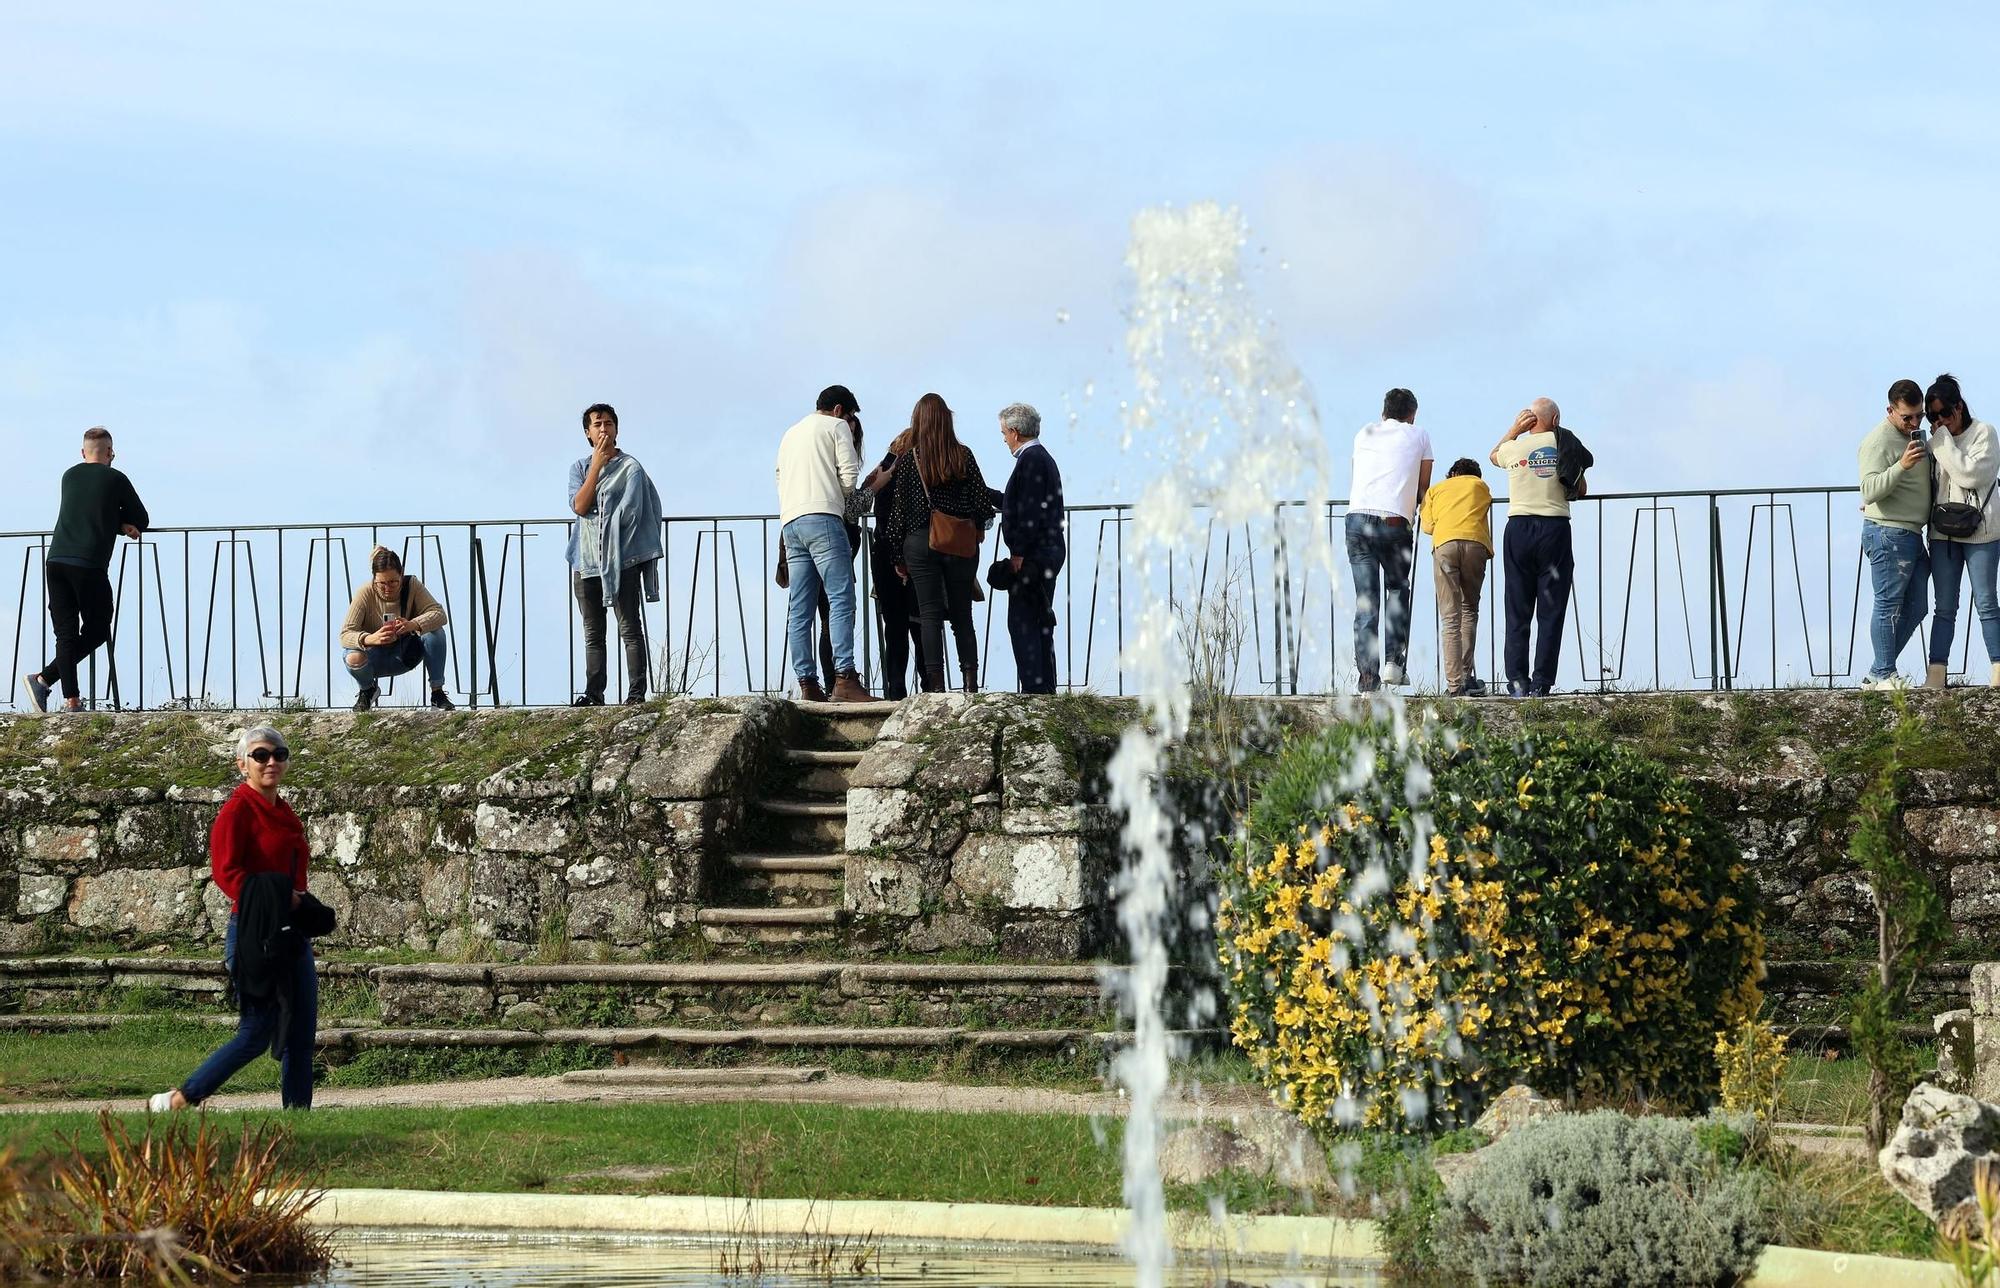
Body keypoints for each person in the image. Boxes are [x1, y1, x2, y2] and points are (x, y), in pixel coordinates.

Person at [150, 726, 322, 1112]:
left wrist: (303, 907)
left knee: (300, 1032)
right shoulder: (237, 810)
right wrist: (281, 898)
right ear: (242, 764)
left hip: (290, 935)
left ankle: (298, 1119)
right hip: (253, 935)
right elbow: (227, 873)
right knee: (256, 1032)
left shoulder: (283, 811)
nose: (272, 762)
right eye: (261, 755)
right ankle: (182, 1097)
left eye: (279, 754)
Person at [22, 427, 149, 714]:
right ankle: (44, 681)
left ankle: (68, 699)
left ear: (82, 453)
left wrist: (113, 521)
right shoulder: (116, 478)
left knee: (65, 633)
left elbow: (88, 508)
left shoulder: (68, 475)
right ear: (110, 453)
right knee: (98, 627)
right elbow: (142, 518)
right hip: (88, 563)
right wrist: (122, 524)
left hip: (56, 560)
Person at [881, 393, 997, 693]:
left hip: (920, 543)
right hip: (960, 543)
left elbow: (898, 514)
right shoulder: (963, 455)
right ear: (947, 420)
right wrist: (977, 530)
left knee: (929, 615)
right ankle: (970, 684)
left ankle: (936, 687)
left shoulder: (910, 460)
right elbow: (983, 505)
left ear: (918, 421)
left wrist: (897, 557)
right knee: (962, 615)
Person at [776, 386, 873, 703]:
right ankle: (845, 679)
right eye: (849, 415)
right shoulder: (837, 427)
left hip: (791, 522)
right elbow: (849, 477)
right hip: (824, 517)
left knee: (800, 609)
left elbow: (779, 477)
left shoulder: (790, 432)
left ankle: (808, 684)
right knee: (841, 598)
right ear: (839, 410)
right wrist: (838, 493)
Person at [567, 403, 663, 706]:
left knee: (629, 628)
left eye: (608, 423)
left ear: (617, 429)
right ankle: (593, 693)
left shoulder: (630, 467)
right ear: (587, 432)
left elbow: (633, 512)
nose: (603, 429)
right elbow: (580, 506)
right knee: (593, 633)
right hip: (586, 561)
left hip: (623, 560)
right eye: (597, 424)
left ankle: (636, 694)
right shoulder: (580, 468)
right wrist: (596, 465)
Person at [1490, 397, 1586, 697]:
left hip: (1518, 528)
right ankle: (1541, 682)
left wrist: (1514, 430)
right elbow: (1581, 489)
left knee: (1517, 610)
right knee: (1551, 611)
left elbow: (1493, 456)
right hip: (1554, 529)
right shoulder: (1566, 444)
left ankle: (1517, 683)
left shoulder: (1513, 448)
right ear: (1555, 420)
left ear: (1529, 421)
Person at [1347, 389, 1433, 691]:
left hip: (1357, 519)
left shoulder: (1363, 433)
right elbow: (1424, 487)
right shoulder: (1419, 435)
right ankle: (1393, 664)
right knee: (1396, 589)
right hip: (1394, 522)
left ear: (1383, 412)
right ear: (1412, 415)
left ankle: (1368, 679)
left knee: (1366, 602)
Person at [1923, 374, 2000, 688]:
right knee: (1944, 607)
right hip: (1943, 533)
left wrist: (1942, 442)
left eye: (1945, 413)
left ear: (1959, 406)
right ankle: (1936, 674)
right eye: (1933, 417)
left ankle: (1997, 668)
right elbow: (1926, 484)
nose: (1940, 421)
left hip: (1982, 530)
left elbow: (1970, 474)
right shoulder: (1936, 442)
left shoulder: (1984, 433)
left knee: (1986, 602)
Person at [1858, 379, 1933, 691]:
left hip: (1911, 533)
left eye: (1920, 416)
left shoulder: (1915, 436)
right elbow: (1869, 489)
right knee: (1888, 604)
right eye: (1907, 418)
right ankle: (1886, 673)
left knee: (1917, 606)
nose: (1914, 423)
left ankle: (1878, 672)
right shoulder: (1878, 441)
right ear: (1890, 410)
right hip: (1888, 533)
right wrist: (1901, 466)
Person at [995, 402, 1066, 694]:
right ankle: (1043, 687)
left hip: (1035, 555)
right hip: (1046, 552)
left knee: (1024, 622)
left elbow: (1029, 510)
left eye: (1003, 433)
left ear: (1014, 432)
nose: (1003, 439)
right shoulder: (1040, 458)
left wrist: (1018, 553)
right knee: (1038, 619)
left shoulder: (1031, 459)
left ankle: (1036, 689)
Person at [340, 546, 453, 711]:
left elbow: (439, 614)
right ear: (374, 579)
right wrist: (371, 639)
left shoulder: (412, 585)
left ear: (402, 574)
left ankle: (437, 693)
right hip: (372, 658)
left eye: (393, 582)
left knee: (435, 632)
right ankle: (367, 690)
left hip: (405, 654)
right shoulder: (364, 593)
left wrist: (412, 624)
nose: (388, 588)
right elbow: (345, 634)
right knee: (351, 656)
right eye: (381, 583)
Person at [808, 413, 871, 694]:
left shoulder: (815, 457)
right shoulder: (834, 463)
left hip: (822, 535)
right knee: (834, 613)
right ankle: (838, 682)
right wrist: (873, 488)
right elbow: (849, 505)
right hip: (832, 537)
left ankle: (825, 682)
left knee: (825, 615)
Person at [1421, 458, 1494, 697]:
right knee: (1469, 609)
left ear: (1452, 473)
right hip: (1475, 544)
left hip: (1445, 544)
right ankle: (1465, 675)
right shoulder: (1481, 486)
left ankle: (1455, 687)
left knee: (1450, 617)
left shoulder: (1436, 490)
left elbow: (1428, 527)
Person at [868, 428, 924, 700]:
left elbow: (881, 518)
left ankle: (895, 690)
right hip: (913, 554)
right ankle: (930, 686)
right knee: (921, 623)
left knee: (894, 627)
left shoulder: (883, 475)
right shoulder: (918, 474)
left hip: (883, 553)